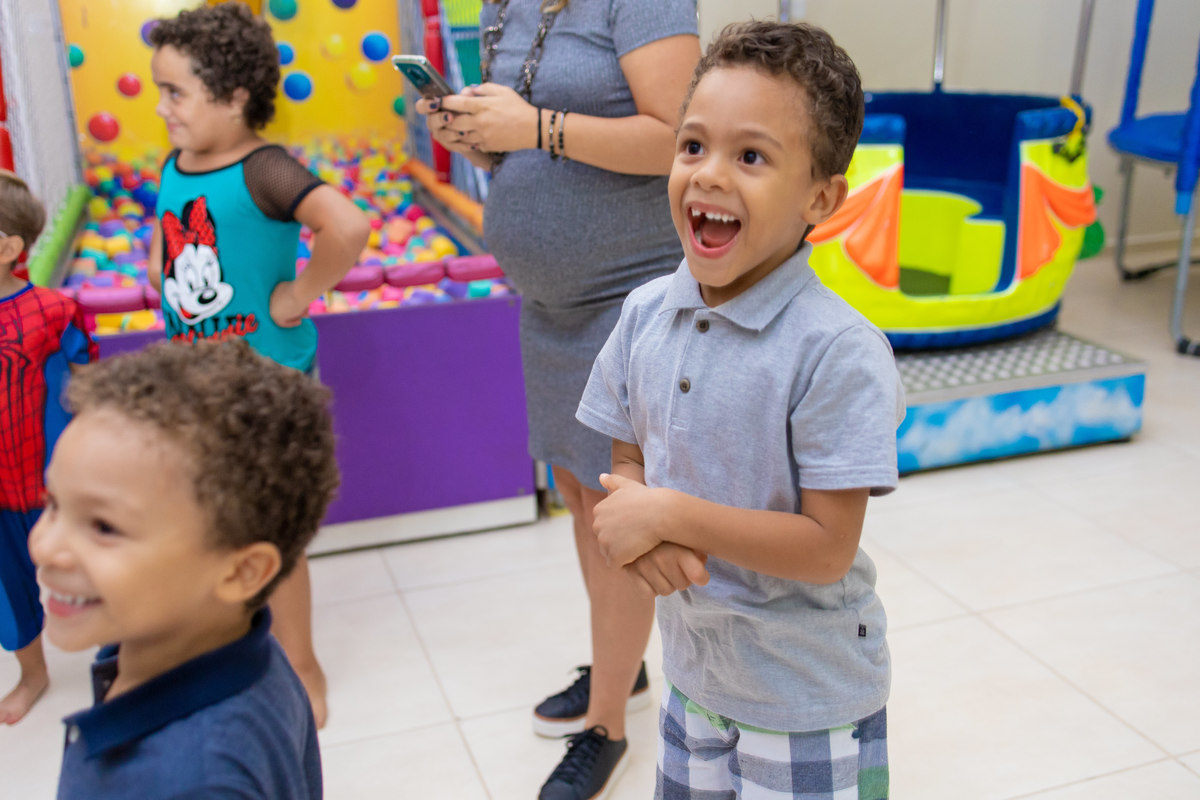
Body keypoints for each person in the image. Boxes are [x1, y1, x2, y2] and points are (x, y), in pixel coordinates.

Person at [576, 21, 904, 799]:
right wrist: (641, 529)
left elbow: (827, 547)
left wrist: (669, 517)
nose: (709, 175)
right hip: (695, 675)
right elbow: (628, 461)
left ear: (821, 198)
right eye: (693, 147)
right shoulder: (644, 313)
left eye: (750, 156)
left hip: (806, 695)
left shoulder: (836, 350)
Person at [416, 2, 700, 797]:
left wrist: (535, 128)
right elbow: (523, 132)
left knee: (615, 505)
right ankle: (621, 668)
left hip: (628, 295)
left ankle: (605, 725)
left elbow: (681, 138)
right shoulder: (503, 4)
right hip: (551, 308)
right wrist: (474, 131)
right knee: (578, 494)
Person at [145, 1, 369, 727]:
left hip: (263, 390)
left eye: (176, 92)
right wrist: (160, 273)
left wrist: (300, 294)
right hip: (197, 385)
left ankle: (301, 663)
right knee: (217, 523)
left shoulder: (264, 168)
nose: (162, 106)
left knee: (272, 534)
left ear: (235, 96)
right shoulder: (175, 163)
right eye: (159, 90)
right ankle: (227, 646)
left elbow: (348, 225)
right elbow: (169, 230)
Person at [32, 339, 339, 799]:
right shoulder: (246, 650)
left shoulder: (196, 782)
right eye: (53, 504)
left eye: (103, 526)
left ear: (241, 572)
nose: (46, 547)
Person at [0, 171, 95, 725]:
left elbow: (84, 385)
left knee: (96, 565)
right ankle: (32, 674)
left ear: (10, 247)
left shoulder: (54, 312)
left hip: (50, 478)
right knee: (8, 587)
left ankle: (129, 652)